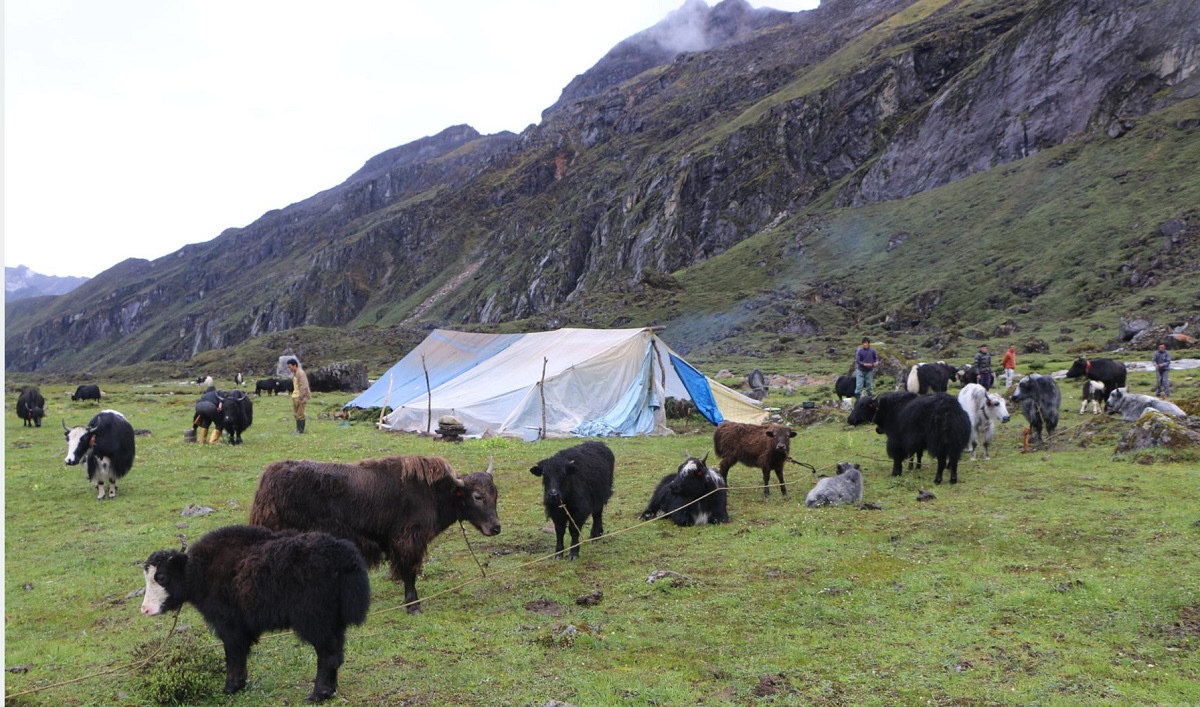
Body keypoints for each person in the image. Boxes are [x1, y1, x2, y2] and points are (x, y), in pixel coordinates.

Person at [287, 358, 312, 434]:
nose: (289, 369)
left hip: (300, 397)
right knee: (296, 414)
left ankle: (300, 430)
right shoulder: (295, 373)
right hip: (295, 396)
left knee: (300, 414)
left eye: (290, 367)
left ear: (294, 365)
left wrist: (301, 397)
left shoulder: (301, 373)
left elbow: (304, 385)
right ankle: (298, 429)